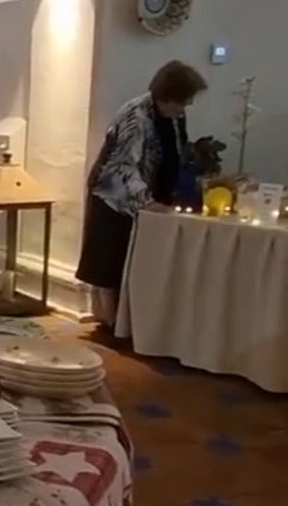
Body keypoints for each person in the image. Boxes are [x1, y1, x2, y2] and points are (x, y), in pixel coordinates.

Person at [76, 60, 209, 327]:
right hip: (114, 196)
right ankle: (112, 326)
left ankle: (133, 324)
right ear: (168, 95)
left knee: (139, 265)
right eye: (184, 100)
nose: (188, 105)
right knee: (111, 263)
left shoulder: (175, 117)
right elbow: (125, 166)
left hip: (150, 198)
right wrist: (147, 202)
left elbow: (176, 154)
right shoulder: (135, 116)